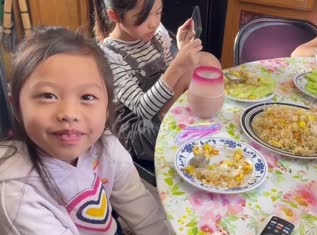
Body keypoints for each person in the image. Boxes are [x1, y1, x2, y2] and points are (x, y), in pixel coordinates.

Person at [0, 27, 193, 235]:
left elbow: (139, 206)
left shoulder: (106, 147)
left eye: (87, 97)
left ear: (107, 106)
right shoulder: (14, 195)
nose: (69, 114)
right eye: (48, 95)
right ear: (17, 106)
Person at [92, 0, 221, 163]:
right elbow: (143, 109)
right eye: (142, 16)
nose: (153, 23)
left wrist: (181, 49)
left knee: (207, 61)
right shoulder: (108, 56)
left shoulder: (157, 36)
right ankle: (187, 126)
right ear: (115, 16)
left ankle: (199, 120)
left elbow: (168, 77)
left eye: (158, 12)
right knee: (192, 68)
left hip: (161, 111)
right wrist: (179, 65)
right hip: (140, 132)